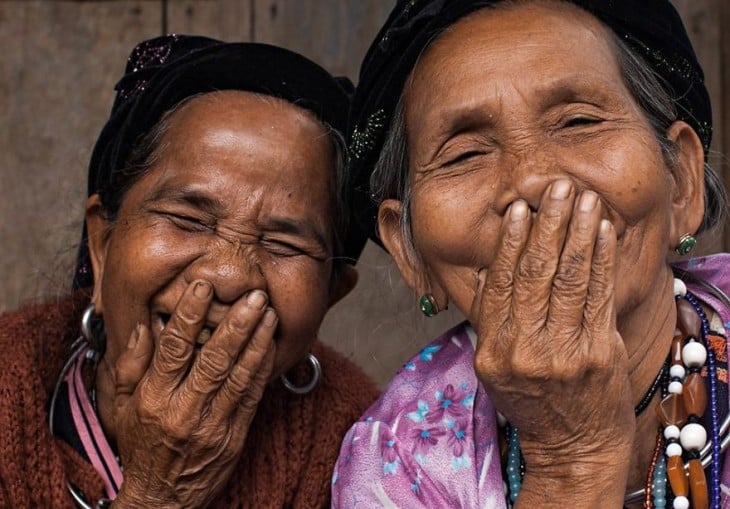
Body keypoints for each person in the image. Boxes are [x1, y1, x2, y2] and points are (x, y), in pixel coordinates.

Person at [333, 1, 730, 507]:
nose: (532, 181)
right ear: (409, 252)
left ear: (680, 182)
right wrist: (572, 463)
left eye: (578, 122)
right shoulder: (395, 463)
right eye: (465, 155)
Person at [0, 34, 379, 508]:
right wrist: (158, 495)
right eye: (188, 219)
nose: (227, 275)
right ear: (103, 244)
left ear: (330, 294)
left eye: (283, 243)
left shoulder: (368, 444)